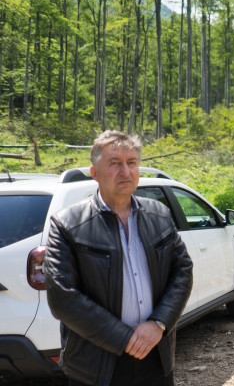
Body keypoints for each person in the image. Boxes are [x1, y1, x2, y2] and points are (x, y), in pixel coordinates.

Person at [44, 131, 193, 386]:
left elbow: (182, 271)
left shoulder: (159, 213)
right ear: (94, 172)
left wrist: (158, 324)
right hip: (96, 365)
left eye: (131, 162)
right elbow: (62, 297)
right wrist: (125, 338)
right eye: (115, 163)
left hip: (155, 356)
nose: (126, 171)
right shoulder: (67, 224)